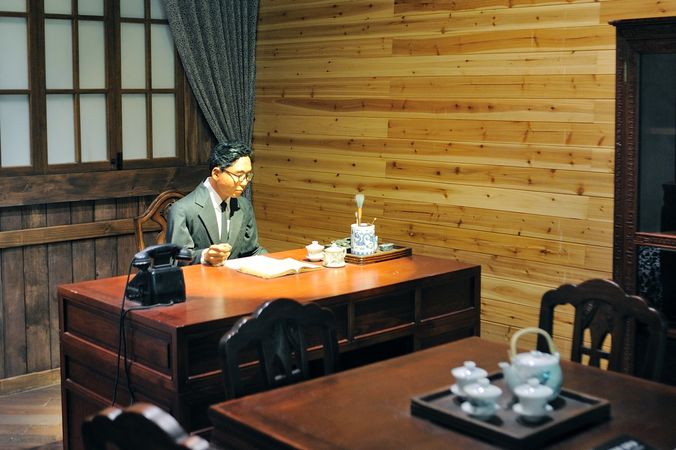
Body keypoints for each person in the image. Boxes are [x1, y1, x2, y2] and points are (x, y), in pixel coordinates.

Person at [166, 141, 267, 265]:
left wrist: (278, 264)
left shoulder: (244, 205)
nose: (245, 181)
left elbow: (251, 251)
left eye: (248, 175)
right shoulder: (183, 209)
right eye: (239, 175)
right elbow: (175, 259)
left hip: (235, 276)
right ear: (216, 173)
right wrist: (204, 256)